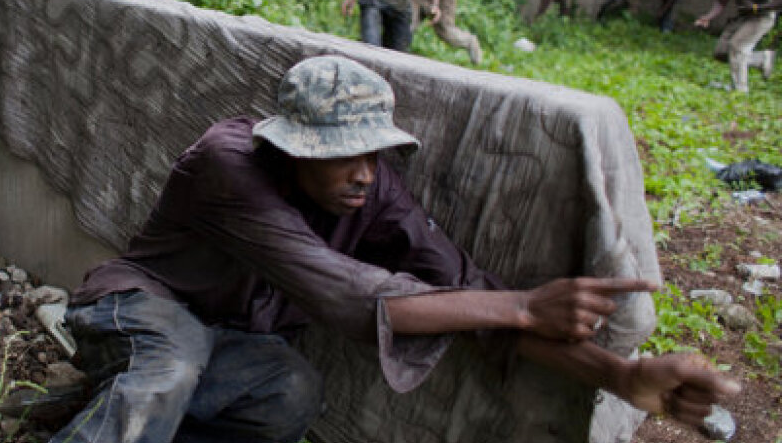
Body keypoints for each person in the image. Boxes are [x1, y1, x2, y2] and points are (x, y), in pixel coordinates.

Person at [46, 55, 740, 443]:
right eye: (342, 155)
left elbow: (475, 300)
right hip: (143, 307)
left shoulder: (370, 189)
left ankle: (103, 420)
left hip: (223, 340)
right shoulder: (230, 163)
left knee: (289, 392)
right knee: (169, 365)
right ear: (289, 148)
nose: (364, 171)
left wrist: (618, 376)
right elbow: (345, 292)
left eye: (375, 153)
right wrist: (526, 305)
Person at [694, 0, 780, 93]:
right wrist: (708, 17)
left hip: (762, 17)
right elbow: (722, 0)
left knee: (737, 47)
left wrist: (756, 8)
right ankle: (761, 59)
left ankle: (740, 90)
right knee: (721, 53)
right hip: (744, 17)